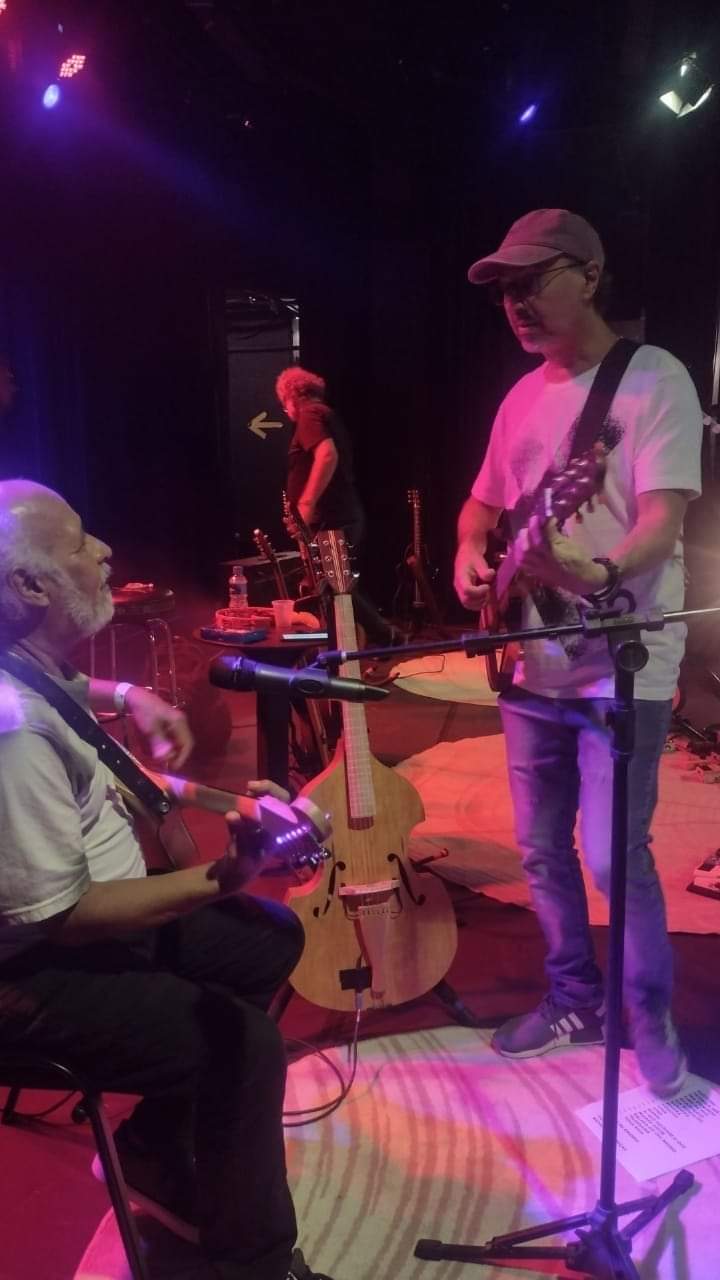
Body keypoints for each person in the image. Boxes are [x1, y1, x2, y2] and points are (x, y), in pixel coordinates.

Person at [0, 479, 334, 1280]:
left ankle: (153, 1145)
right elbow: (63, 916)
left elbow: (76, 704)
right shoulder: (13, 731)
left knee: (267, 942)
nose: (104, 551)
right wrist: (228, 876)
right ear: (31, 585)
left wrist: (133, 694)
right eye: (79, 543)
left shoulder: (28, 664)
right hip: (33, 968)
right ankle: (253, 1265)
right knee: (243, 1046)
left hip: (83, 918)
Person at [454, 209, 703, 1096]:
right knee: (540, 852)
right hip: (533, 660)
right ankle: (572, 998)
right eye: (505, 291)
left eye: (534, 282)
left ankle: (649, 1018)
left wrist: (597, 569)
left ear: (591, 275)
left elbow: (661, 522)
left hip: (623, 661)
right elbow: (482, 506)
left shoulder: (654, 378)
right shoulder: (521, 397)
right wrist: (469, 552)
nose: (516, 304)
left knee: (609, 854)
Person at [276, 365, 403, 650]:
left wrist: (306, 503)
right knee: (334, 587)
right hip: (337, 517)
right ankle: (352, 649)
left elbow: (327, 455)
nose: (286, 412)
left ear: (291, 397)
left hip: (333, 519)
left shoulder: (310, 414)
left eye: (283, 405)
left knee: (336, 587)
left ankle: (386, 638)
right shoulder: (325, 414)